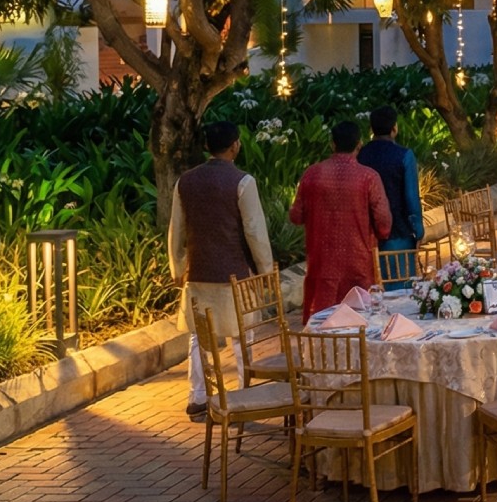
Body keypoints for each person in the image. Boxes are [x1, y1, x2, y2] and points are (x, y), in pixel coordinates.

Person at [168, 121, 275, 419]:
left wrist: (177, 267)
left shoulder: (184, 182)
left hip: (198, 271)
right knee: (243, 334)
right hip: (234, 272)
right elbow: (254, 230)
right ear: (235, 146)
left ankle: (197, 395)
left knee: (198, 336)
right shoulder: (243, 182)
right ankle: (244, 393)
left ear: (206, 147)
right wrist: (265, 269)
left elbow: (176, 229)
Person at [291, 120, 392, 317]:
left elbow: (296, 216)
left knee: (323, 319)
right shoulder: (368, 177)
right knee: (361, 318)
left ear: (332, 144)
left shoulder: (312, 175)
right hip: (358, 262)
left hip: (322, 262)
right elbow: (384, 222)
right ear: (359, 144)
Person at [357, 105, 423, 289]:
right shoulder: (404, 155)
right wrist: (418, 229)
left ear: (371, 129)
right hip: (399, 232)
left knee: (372, 291)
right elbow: (411, 196)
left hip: (367, 233)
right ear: (395, 128)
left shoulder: (361, 155)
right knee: (400, 288)